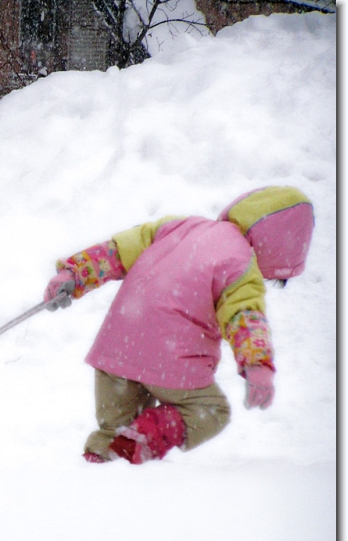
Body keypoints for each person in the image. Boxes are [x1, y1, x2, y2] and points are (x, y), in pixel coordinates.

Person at [43, 186, 314, 464]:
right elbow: (244, 316)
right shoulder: (241, 263)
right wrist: (257, 363)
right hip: (170, 362)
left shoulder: (177, 227)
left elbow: (116, 252)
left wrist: (74, 275)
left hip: (117, 351)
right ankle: (146, 437)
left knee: (115, 436)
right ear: (277, 251)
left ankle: (98, 477)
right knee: (210, 411)